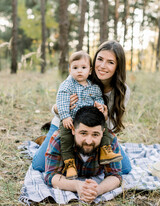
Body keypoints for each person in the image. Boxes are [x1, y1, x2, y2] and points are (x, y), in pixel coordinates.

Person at [32, 40, 131, 174]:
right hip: (66, 124)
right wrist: (58, 109)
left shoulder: (122, 91)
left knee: (124, 168)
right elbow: (59, 103)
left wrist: (105, 117)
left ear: (118, 66)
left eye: (110, 62)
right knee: (39, 165)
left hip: (96, 131)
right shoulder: (79, 74)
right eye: (100, 59)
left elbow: (112, 125)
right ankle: (50, 141)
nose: (102, 66)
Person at [56, 50, 122, 179]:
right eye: (75, 68)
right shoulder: (68, 85)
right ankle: (69, 164)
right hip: (71, 119)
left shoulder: (94, 87)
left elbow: (99, 99)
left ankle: (105, 151)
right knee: (66, 139)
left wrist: (100, 107)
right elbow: (61, 100)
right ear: (70, 70)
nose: (79, 71)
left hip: (90, 121)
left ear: (90, 70)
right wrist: (65, 116)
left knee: (105, 132)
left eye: (83, 68)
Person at [45, 106, 122, 203]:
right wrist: (76, 185)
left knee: (126, 168)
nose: (89, 141)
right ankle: (43, 139)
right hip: (60, 139)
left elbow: (115, 175)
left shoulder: (110, 139)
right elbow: (51, 175)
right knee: (38, 165)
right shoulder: (60, 139)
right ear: (73, 130)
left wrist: (97, 190)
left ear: (102, 133)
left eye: (95, 134)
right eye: (83, 133)